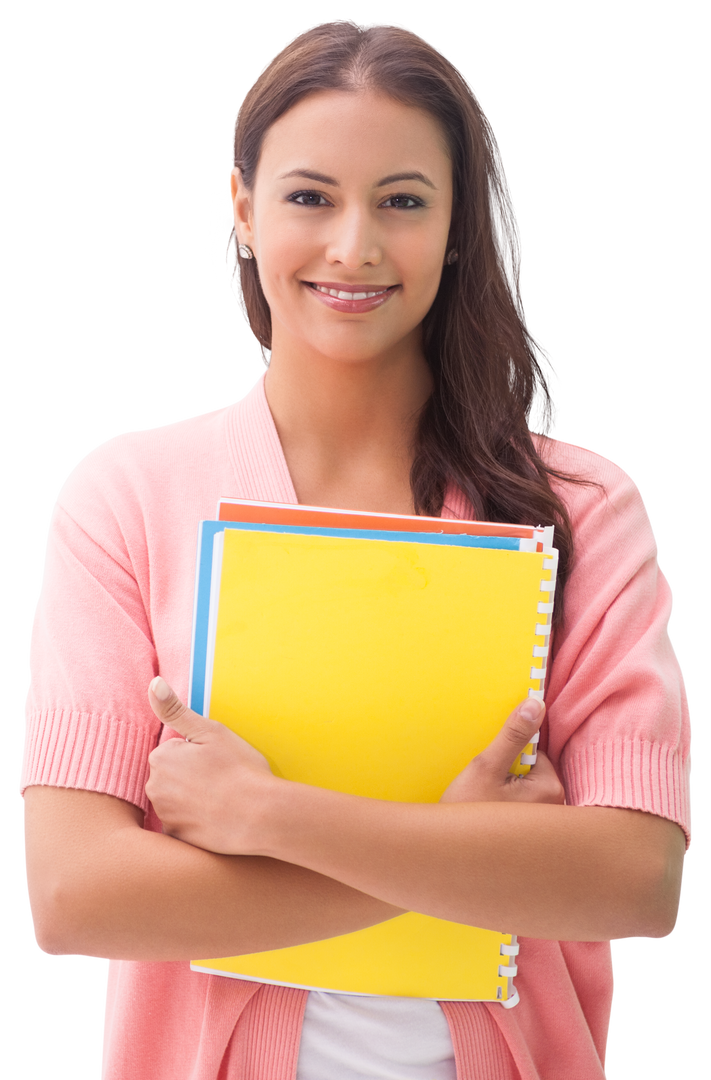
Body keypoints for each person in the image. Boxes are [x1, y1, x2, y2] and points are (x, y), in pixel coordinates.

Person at [20, 17, 691, 1080]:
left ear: (463, 224)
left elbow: (635, 878)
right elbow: (71, 898)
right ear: (240, 208)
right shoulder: (127, 497)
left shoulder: (582, 507)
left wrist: (265, 816)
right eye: (309, 197)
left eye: (403, 202)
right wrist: (462, 851)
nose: (354, 247)